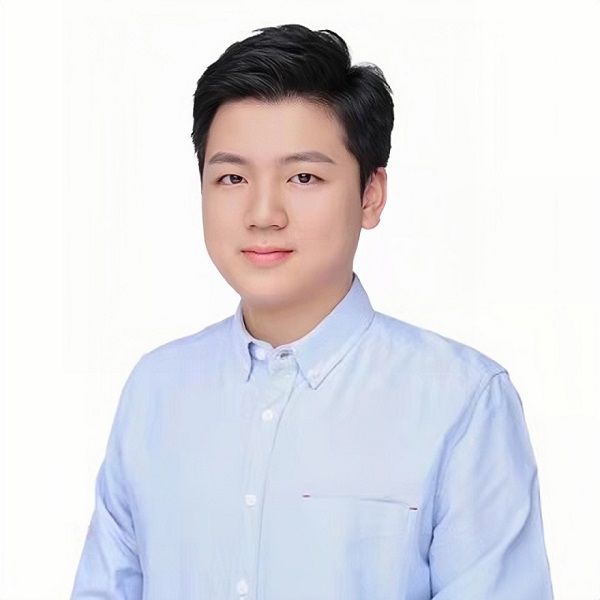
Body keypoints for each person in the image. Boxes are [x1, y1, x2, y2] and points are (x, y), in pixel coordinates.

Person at [71, 24, 553, 599]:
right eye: (232, 177)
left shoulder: (462, 401)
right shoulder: (156, 389)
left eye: (304, 177)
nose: (263, 213)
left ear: (371, 194)